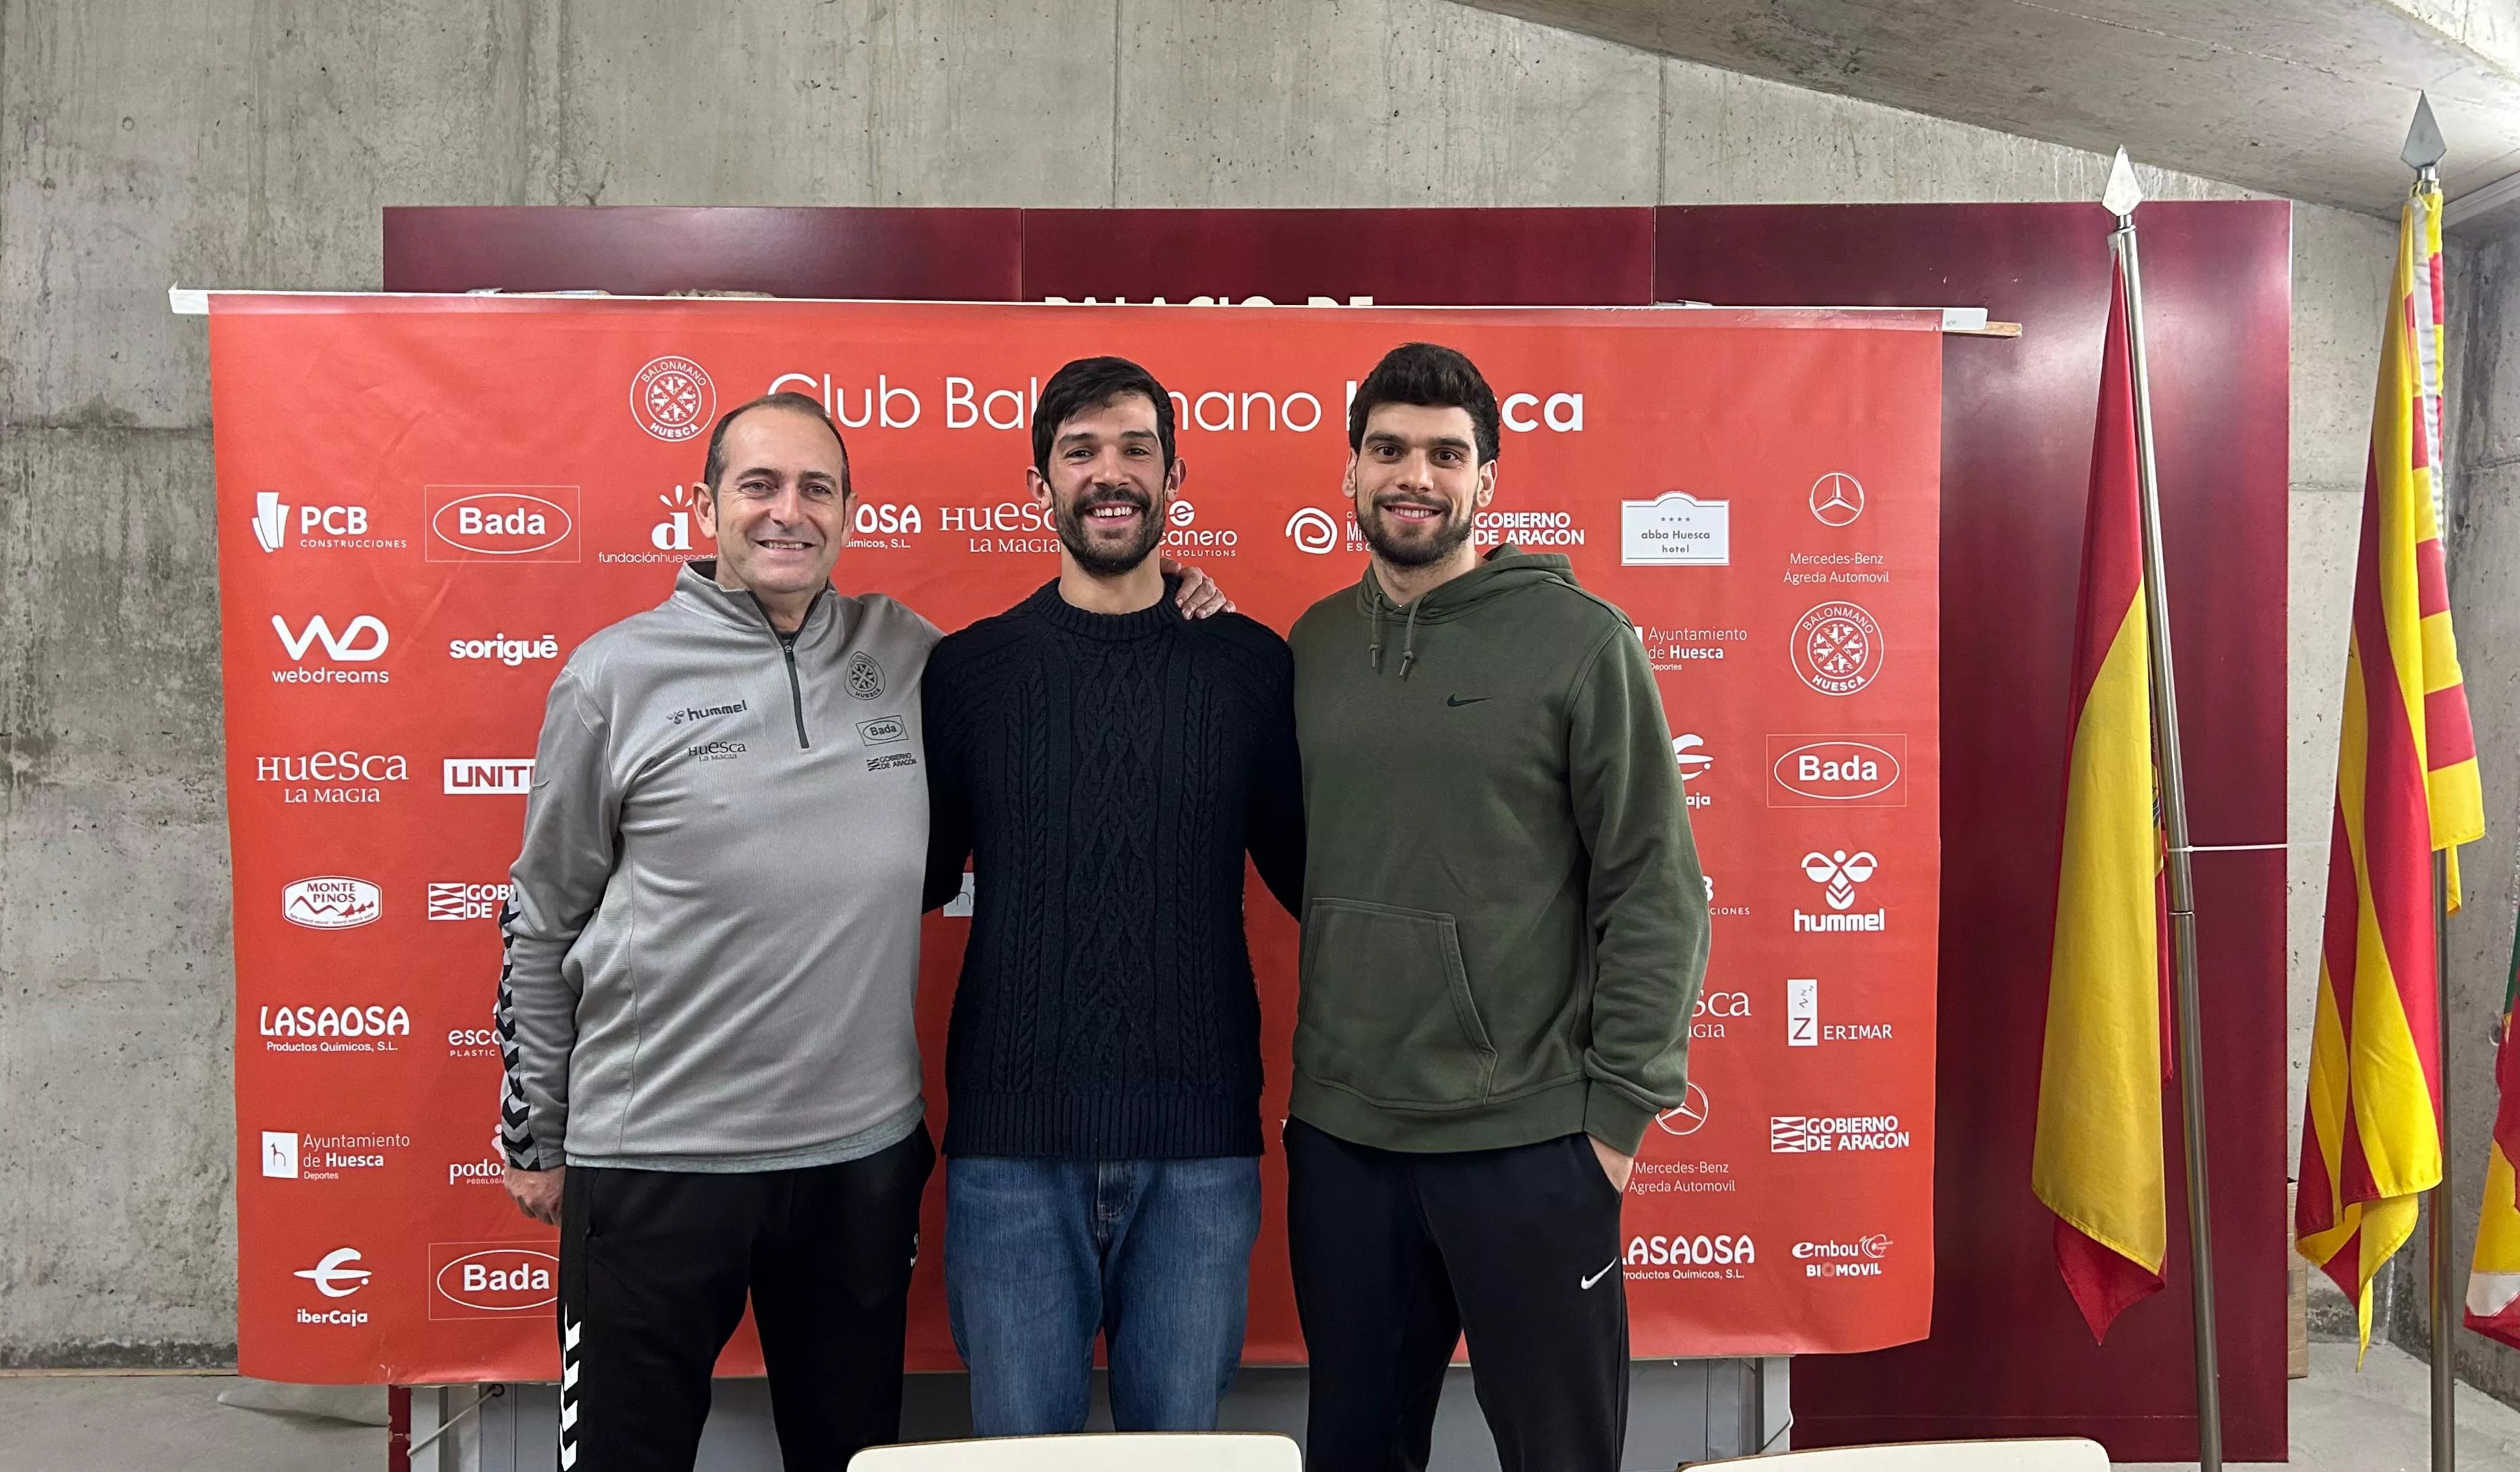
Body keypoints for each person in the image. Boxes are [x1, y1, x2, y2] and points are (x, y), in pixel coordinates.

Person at [494, 390, 1228, 1472]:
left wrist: (1171, 602)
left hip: (857, 1167)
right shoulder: (611, 677)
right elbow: (540, 916)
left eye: (816, 489)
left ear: (847, 514)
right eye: (758, 486)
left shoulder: (918, 658)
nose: (787, 513)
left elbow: (1064, 662)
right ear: (704, 509)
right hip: (653, 1160)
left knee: (849, 1459)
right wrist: (536, 1133)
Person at [1285, 343, 1709, 1472]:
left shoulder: (1580, 643)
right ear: (1351, 473)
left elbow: (1656, 886)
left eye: (1444, 453)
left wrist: (1613, 1127)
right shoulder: (1316, 643)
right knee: (1357, 1454)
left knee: (1559, 1458)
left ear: (1489, 481)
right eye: (1388, 450)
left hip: (1528, 1143)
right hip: (1345, 1141)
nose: (1413, 475)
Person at [921, 356, 1304, 1437]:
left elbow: (1322, 877)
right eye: (1080, 452)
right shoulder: (969, 673)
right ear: (1037, 485)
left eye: (1137, 448)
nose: (1111, 473)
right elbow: (906, 878)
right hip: (1009, 1146)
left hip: (1199, 1147)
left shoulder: (1248, 666)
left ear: (1177, 475)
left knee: (1177, 1462)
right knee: (1018, 1464)